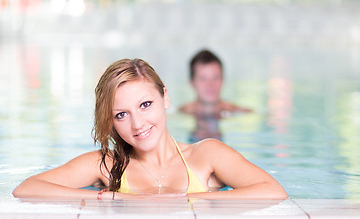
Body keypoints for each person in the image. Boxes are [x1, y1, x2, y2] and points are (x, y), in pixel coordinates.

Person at [13, 59, 287, 200]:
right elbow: (27, 189)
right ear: (110, 121)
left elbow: (273, 191)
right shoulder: (107, 164)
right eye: (121, 114)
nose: (138, 124)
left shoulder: (207, 155)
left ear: (165, 98)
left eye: (145, 104)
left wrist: (197, 201)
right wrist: (105, 199)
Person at [179, 49, 252, 141]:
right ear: (192, 82)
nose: (210, 85)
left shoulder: (241, 112)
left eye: (216, 78)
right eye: (203, 79)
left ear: (223, 80)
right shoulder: (181, 113)